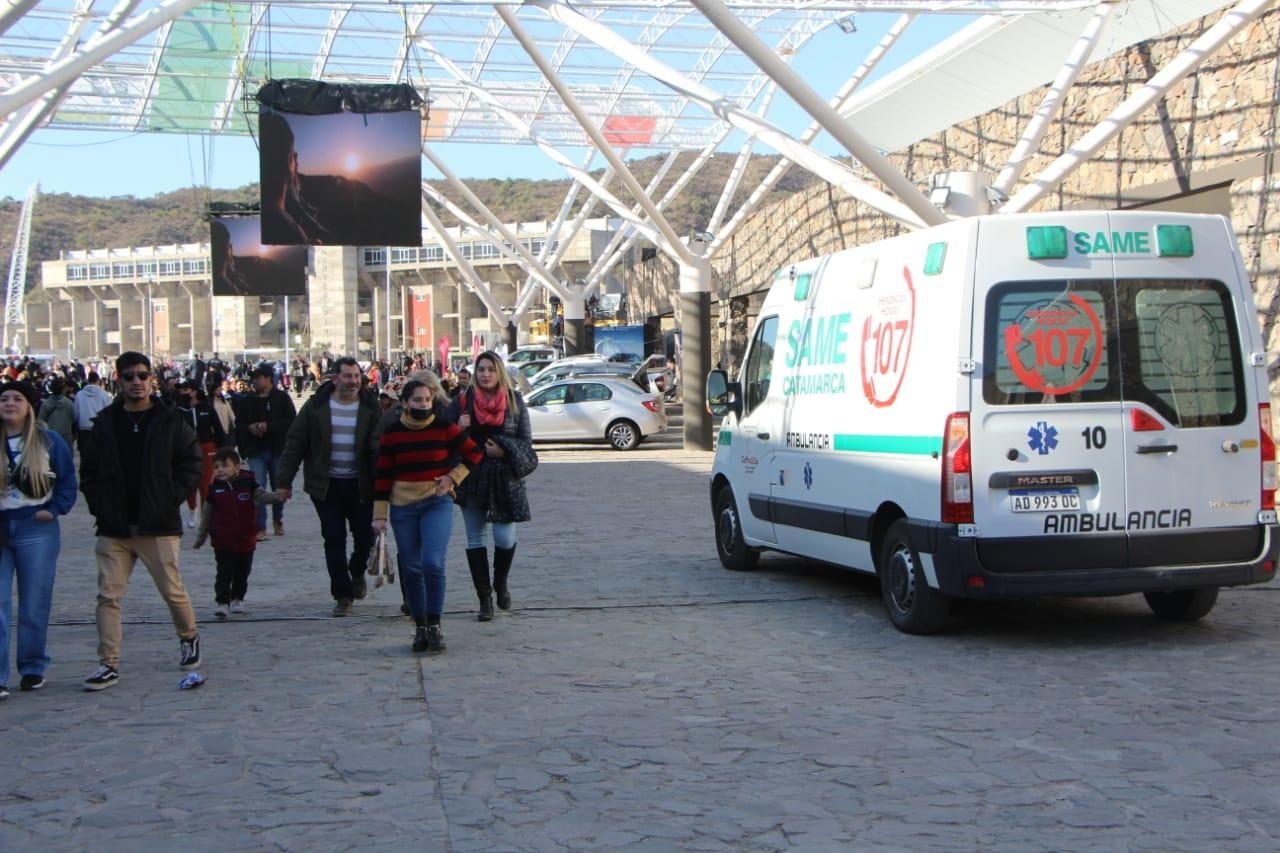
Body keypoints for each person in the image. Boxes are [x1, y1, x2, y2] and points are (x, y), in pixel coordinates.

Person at [79, 352, 204, 691]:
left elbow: (191, 463)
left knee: (172, 591)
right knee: (108, 596)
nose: (136, 382)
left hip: (156, 523)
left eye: (142, 375)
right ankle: (108, 663)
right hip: (115, 526)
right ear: (118, 380)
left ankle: (189, 637)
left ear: (152, 379)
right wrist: (100, 507)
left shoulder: (169, 420)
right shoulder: (105, 422)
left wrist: (169, 498)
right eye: (129, 376)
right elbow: (88, 471)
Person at [373, 377, 481, 653]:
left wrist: (453, 477)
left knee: (432, 562)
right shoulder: (393, 432)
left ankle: (435, 623)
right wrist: (380, 515)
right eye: (417, 400)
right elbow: (383, 474)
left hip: (436, 501)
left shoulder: (444, 426)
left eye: (427, 400)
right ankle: (420, 626)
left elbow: (473, 453)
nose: (423, 404)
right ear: (405, 402)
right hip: (403, 506)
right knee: (411, 566)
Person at [276, 357, 380, 617]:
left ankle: (356, 571)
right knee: (333, 538)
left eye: (356, 376)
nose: (353, 381)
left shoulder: (371, 406)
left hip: (361, 485)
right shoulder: (316, 406)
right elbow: (295, 444)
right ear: (334, 378)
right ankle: (342, 595)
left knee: (366, 538)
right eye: (347, 376)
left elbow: (382, 444)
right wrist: (284, 482)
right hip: (326, 485)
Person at [0, 381, 78, 699]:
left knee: (34, 602)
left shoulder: (48, 441)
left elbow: (67, 481)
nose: (9, 403)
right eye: (4, 398)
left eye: (17, 398)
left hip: (36, 528)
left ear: (29, 406)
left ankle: (32, 667)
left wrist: (55, 509)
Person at [447, 351, 535, 622]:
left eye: (491, 369)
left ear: (500, 373)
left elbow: (526, 444)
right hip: (471, 477)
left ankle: (500, 581)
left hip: (503, 479)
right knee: (475, 539)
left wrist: (504, 451)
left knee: (504, 538)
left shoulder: (514, 401)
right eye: (481, 369)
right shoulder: (462, 401)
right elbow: (443, 441)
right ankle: (484, 599)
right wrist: (457, 427)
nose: (485, 374)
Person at [193, 448, 283, 619]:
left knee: (242, 573)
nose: (219, 470)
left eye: (224, 466)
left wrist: (279, 496)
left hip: (246, 539)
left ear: (236, 467)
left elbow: (263, 497)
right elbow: (207, 515)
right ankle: (222, 603)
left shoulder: (249, 483)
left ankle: (237, 599)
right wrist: (201, 537)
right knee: (224, 573)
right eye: (216, 467)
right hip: (223, 540)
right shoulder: (214, 489)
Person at [235, 366, 296, 539]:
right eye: (253, 378)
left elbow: (291, 422)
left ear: (268, 379)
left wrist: (269, 427)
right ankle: (260, 527)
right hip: (255, 450)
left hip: (278, 449)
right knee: (258, 487)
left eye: (258, 378)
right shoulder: (248, 400)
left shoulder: (282, 398)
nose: (254, 381)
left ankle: (278, 519)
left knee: (279, 486)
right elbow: (238, 424)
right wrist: (250, 428)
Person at [175, 380, 228, 529]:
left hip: (207, 448)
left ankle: (206, 517)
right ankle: (192, 510)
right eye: (181, 390)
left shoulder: (207, 408)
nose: (182, 393)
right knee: (190, 483)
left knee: (205, 484)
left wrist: (222, 450)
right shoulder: (179, 410)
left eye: (185, 390)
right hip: (187, 449)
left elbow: (218, 430)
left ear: (194, 391)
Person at [73, 371, 112, 448]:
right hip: (100, 427)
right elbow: (109, 412)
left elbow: (75, 414)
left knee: (85, 452)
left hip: (84, 427)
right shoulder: (104, 394)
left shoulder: (79, 395)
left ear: (88, 381)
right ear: (98, 381)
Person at [37, 377, 76, 451]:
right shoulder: (69, 403)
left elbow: (40, 421)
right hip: (66, 436)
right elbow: (74, 419)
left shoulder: (45, 404)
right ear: (63, 390)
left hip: (50, 437)